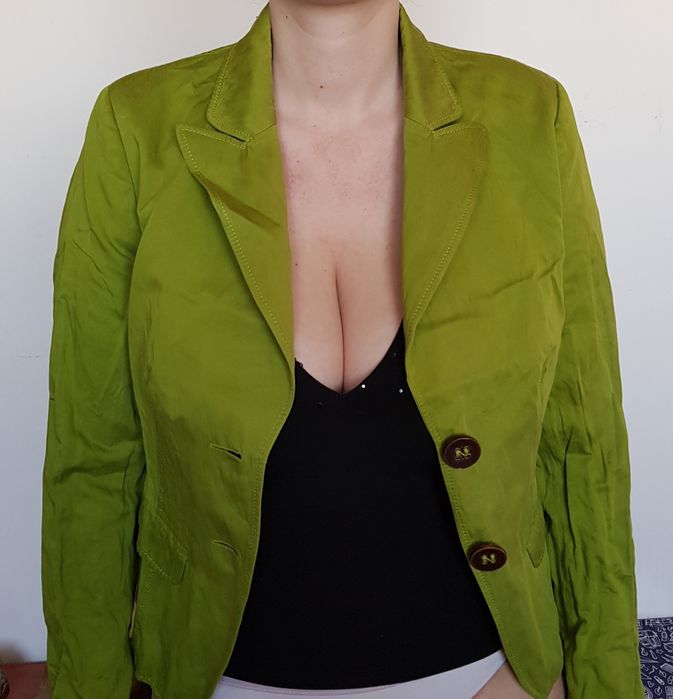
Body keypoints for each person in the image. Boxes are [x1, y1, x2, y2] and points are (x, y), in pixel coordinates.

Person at [41, 1, 642, 698]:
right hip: (211, 682)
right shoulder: (134, 127)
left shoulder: (532, 117)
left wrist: (597, 682)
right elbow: (92, 459)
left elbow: (584, 442)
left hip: (494, 679)